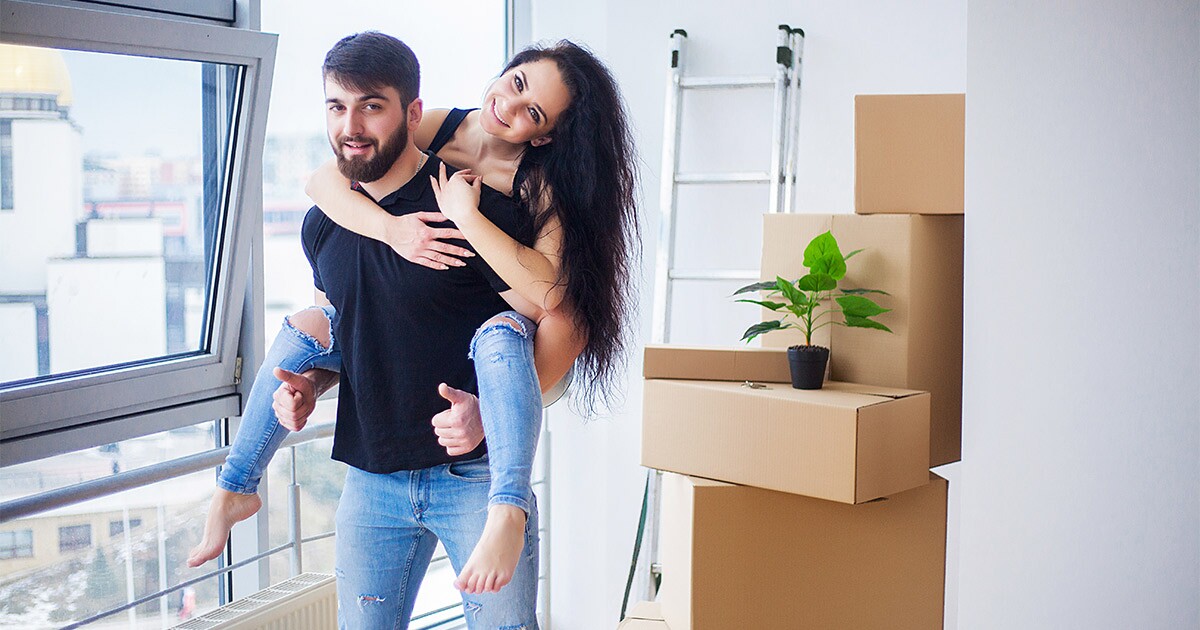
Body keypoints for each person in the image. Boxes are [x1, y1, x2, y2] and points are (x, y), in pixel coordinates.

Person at [188, 32, 637, 622]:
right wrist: (317, 379)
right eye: (517, 82)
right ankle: (235, 484)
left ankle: (509, 502)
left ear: (546, 133)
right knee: (306, 328)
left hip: (484, 435)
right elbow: (327, 183)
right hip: (375, 471)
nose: (508, 105)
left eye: (532, 111)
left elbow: (557, 305)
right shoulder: (414, 154)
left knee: (503, 334)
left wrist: (467, 220)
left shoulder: (528, 191)